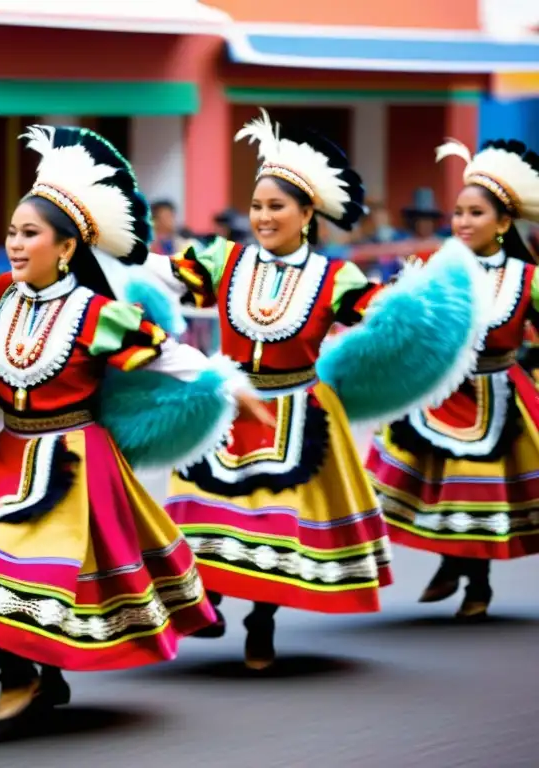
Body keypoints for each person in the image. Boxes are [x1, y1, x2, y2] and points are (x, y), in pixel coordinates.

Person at [0, 125, 272, 724]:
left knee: (17, 563)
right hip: (7, 456)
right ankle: (30, 674)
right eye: (12, 233)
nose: (15, 245)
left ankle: (23, 675)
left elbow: (169, 352)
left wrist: (231, 386)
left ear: (66, 247)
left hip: (75, 463)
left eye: (29, 235)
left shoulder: (97, 314)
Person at [143, 109, 488, 670]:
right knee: (207, 514)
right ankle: (208, 599)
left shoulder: (334, 277)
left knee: (273, 523)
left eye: (276, 206)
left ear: (307, 213)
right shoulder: (222, 259)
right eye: (256, 206)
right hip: (228, 406)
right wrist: (109, 250)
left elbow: (383, 315)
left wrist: (423, 309)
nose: (262, 216)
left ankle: (261, 623)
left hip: (298, 414)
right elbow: (165, 274)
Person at [366, 138, 539, 619]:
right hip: (439, 392)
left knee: (475, 490)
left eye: (475, 214)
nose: (462, 222)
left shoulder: (528, 280)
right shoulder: (436, 271)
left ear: (503, 223)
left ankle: (475, 584)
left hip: (499, 394)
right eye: (458, 213)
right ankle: (453, 564)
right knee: (441, 488)